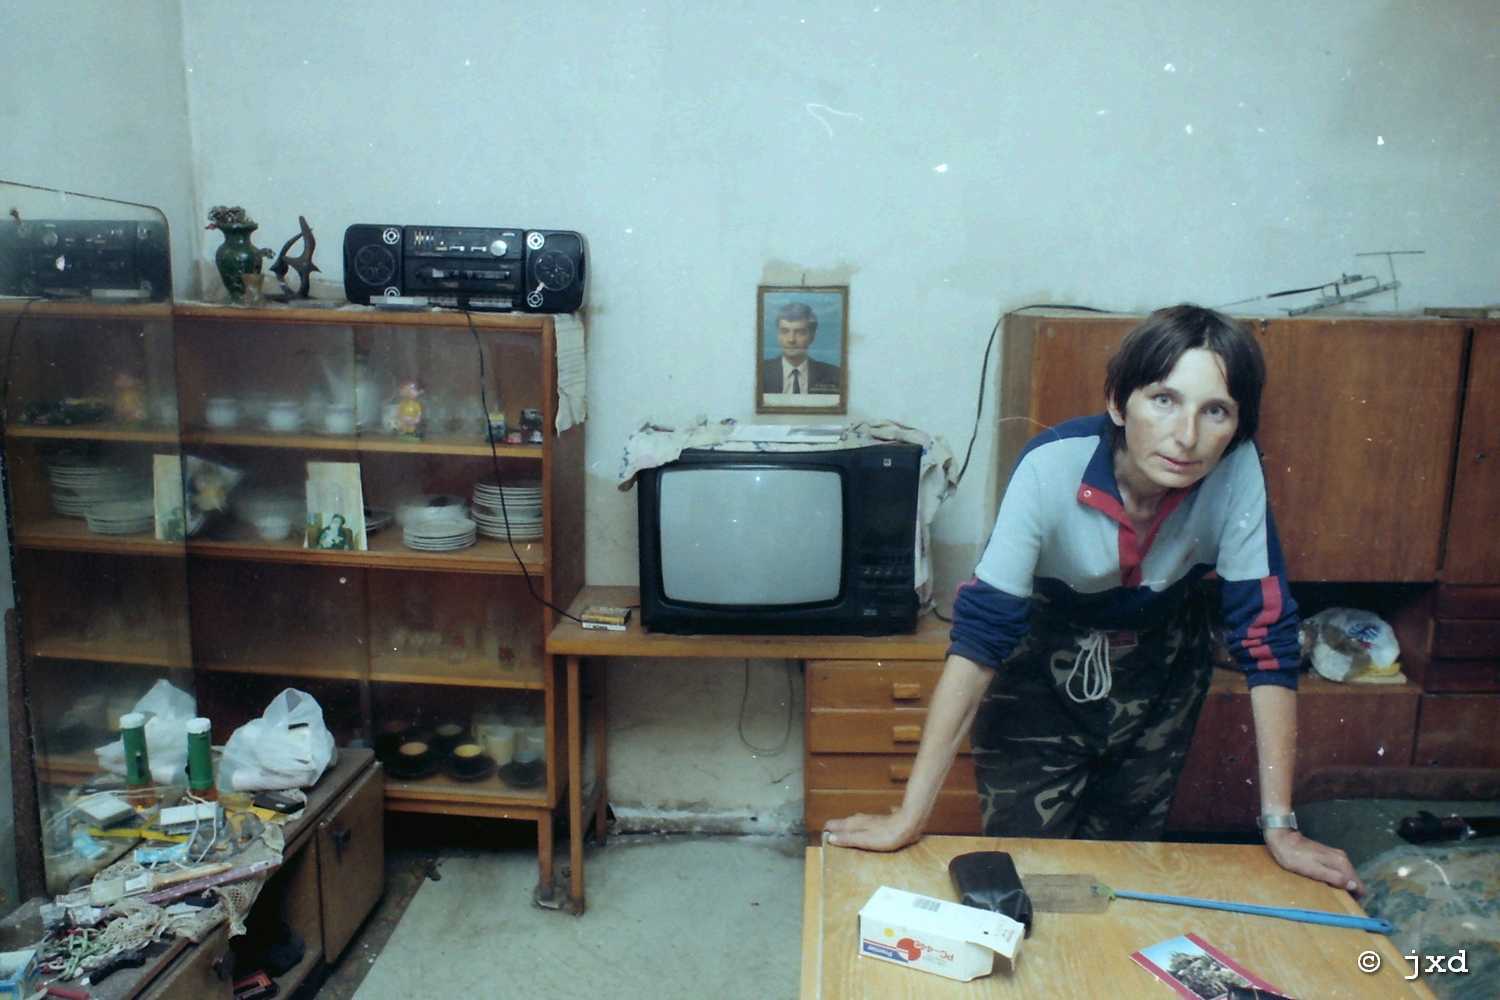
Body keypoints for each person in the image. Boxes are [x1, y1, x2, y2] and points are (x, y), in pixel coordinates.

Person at [825, 304, 1363, 894]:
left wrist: (1281, 828)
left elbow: (1266, 637)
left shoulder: (1237, 472)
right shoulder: (1049, 467)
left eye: (1215, 411)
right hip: (1040, 668)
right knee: (1030, 874)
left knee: (1120, 875)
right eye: (1163, 399)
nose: (1186, 437)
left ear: (1237, 425)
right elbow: (979, 641)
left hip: (1160, 670)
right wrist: (910, 815)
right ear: (1118, 403)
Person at [759, 301, 842, 394]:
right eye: (785, 331)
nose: (791, 340)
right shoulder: (759, 371)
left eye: (800, 332)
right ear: (778, 335)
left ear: (812, 336)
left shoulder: (835, 374)